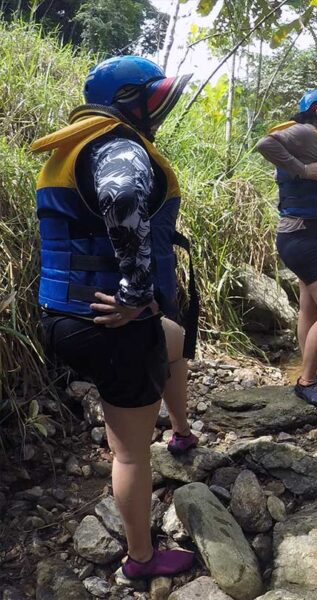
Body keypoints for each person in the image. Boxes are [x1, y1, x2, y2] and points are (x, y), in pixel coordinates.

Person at [32, 56, 197, 578]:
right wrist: (135, 293)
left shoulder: (71, 150)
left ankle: (183, 431)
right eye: (151, 100)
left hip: (63, 317)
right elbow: (122, 195)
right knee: (130, 453)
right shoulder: (117, 146)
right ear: (128, 103)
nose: (158, 111)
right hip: (110, 323)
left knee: (172, 338)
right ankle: (140, 559)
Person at [256, 89, 317, 409]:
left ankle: (314, 372)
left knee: (310, 310)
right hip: (305, 237)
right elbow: (265, 143)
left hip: (309, 235)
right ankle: (307, 381)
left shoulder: (314, 139)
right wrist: (304, 170)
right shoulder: (304, 132)